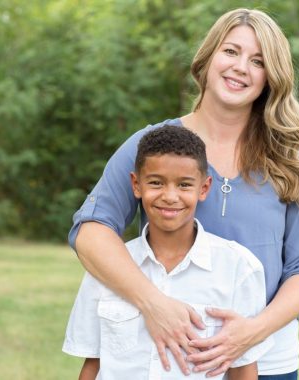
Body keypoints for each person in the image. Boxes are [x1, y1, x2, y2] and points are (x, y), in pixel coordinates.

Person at [68, 8, 299, 380]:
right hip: (171, 357)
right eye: (231, 51)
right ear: (207, 58)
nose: (241, 67)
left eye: (258, 61)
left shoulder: (292, 159)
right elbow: (91, 231)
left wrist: (251, 333)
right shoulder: (155, 147)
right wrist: (154, 304)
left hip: (268, 360)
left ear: (271, 78)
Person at [63, 125, 274, 379]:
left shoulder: (239, 268)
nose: (170, 196)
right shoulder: (106, 270)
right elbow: (93, 365)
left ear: (204, 188)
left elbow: (243, 371)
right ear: (136, 184)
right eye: (156, 183)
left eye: (184, 185)